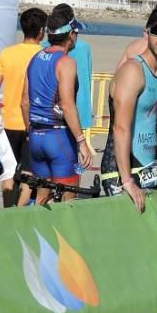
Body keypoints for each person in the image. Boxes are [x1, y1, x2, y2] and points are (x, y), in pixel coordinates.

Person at [99, 8, 157, 209]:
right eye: (156, 31)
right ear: (147, 33)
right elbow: (121, 128)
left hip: (148, 170)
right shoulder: (133, 71)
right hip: (120, 171)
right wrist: (126, 181)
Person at [22, 10, 92, 203]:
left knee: (41, 199)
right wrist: (82, 142)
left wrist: (31, 131)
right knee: (68, 199)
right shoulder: (66, 62)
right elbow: (68, 105)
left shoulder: (35, 58)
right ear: (71, 34)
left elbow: (25, 102)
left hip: (36, 135)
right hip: (59, 137)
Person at [0, 7, 46, 207]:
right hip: (33, 122)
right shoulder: (44, 54)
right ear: (41, 31)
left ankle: (7, 210)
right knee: (29, 172)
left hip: (8, 122)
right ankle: (20, 212)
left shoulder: (7, 54)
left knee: (8, 172)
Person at [51, 4, 93, 132]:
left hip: (51, 112)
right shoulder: (83, 47)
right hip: (78, 110)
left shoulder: (45, 47)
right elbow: (87, 78)